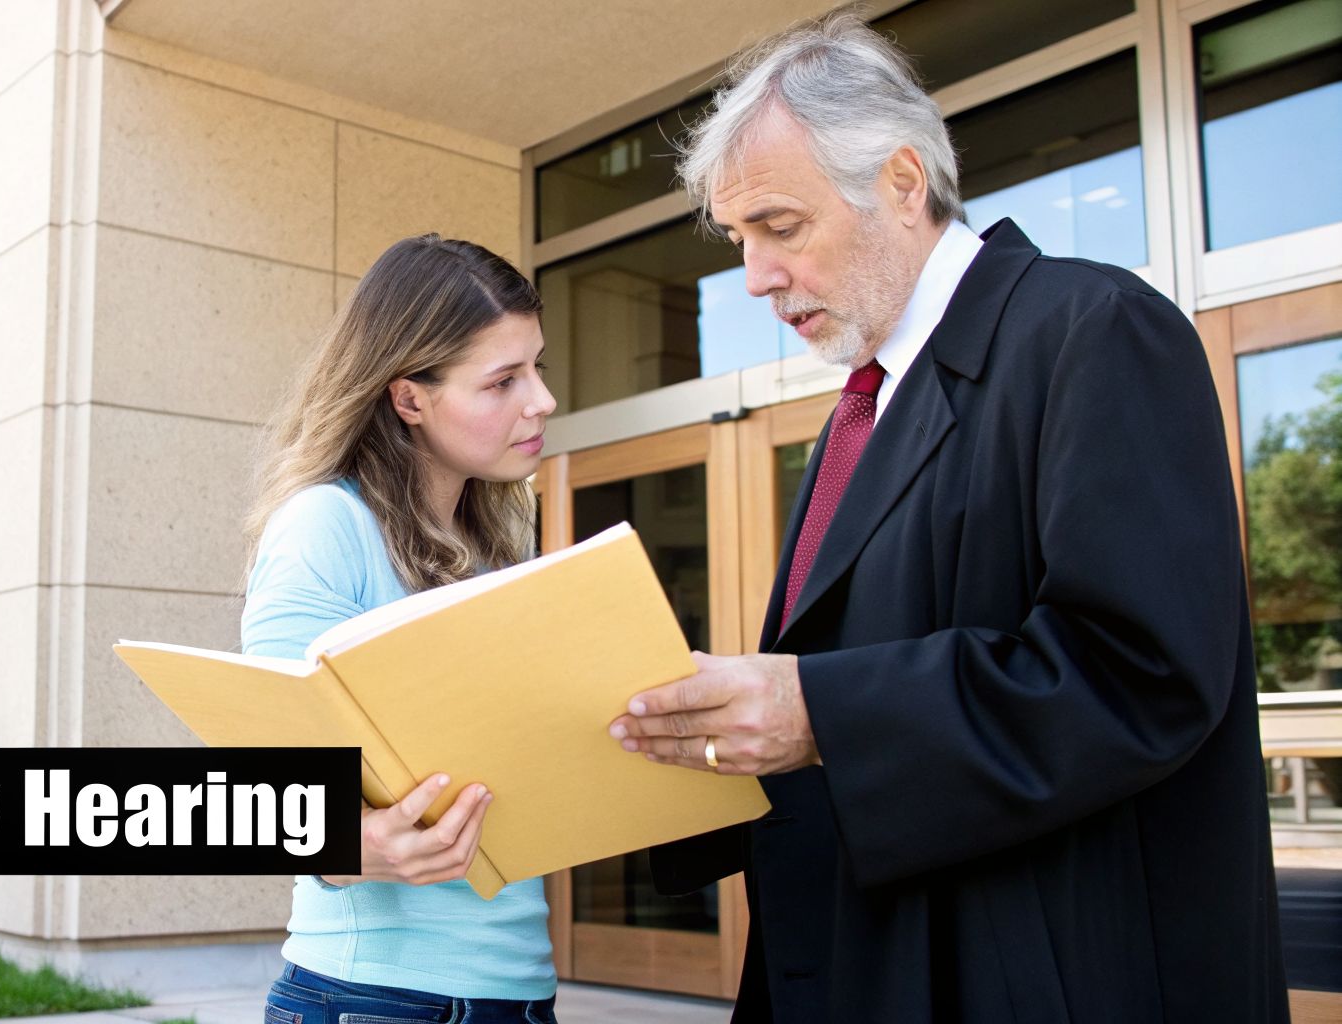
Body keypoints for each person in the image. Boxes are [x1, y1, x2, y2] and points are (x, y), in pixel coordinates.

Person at [606, 8, 1289, 1022]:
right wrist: (690, 750)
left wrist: (816, 713)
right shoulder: (858, 409)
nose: (753, 277)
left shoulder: (1092, 329)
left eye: (779, 228)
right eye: (738, 239)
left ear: (900, 180)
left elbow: (1139, 674)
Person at [242, 234, 561, 1022]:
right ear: (409, 398)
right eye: (502, 381)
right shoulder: (325, 526)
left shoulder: (506, 541)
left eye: (537, 368)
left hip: (518, 996)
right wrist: (355, 848)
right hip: (374, 999)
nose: (542, 401)